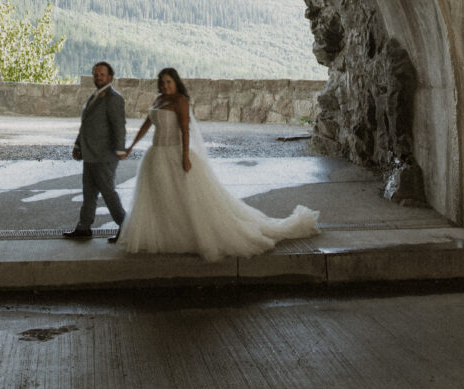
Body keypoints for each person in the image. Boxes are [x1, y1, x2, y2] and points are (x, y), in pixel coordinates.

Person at [117, 67, 319, 262]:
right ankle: (163, 234)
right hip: (155, 155)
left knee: (185, 199)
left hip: (174, 153)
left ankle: (187, 234)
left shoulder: (180, 101)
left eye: (168, 82)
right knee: (158, 197)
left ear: (176, 83)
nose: (165, 85)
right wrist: (131, 146)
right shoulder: (159, 100)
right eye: (162, 82)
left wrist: (185, 157)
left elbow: (185, 131)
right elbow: (146, 125)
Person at [63, 61, 127, 242]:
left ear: (110, 77)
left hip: (104, 155)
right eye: (96, 74)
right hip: (90, 154)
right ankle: (84, 227)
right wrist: (78, 146)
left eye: (102, 74)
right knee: (89, 193)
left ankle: (127, 226)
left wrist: (120, 149)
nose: (98, 77)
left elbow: (119, 126)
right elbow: (86, 126)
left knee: (108, 193)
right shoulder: (94, 96)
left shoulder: (114, 98)